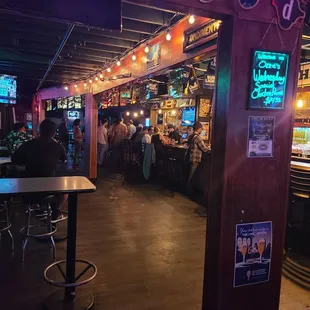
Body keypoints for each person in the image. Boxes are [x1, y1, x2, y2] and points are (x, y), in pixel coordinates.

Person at [11, 119, 67, 222]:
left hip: (27, 188)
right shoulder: (58, 146)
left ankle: (37, 208)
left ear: (39, 131)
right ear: (54, 133)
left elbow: (14, 159)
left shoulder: (28, 144)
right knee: (64, 192)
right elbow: (64, 159)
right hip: (49, 188)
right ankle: (55, 213)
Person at [187, 121, 210, 193]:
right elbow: (204, 149)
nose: (202, 130)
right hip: (195, 159)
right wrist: (208, 147)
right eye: (201, 128)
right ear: (198, 129)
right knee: (192, 176)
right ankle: (189, 191)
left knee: (190, 174)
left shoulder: (191, 136)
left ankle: (188, 189)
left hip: (191, 158)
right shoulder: (198, 138)